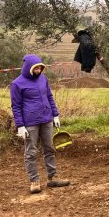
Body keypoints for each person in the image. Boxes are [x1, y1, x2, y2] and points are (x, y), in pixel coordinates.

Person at [10, 54, 70, 194]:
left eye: (40, 68)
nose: (38, 71)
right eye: (35, 68)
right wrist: (20, 125)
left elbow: (49, 97)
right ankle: (34, 181)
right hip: (30, 123)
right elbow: (16, 106)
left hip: (46, 120)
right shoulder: (17, 84)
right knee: (31, 152)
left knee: (49, 149)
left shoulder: (43, 79)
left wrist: (55, 115)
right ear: (28, 68)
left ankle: (53, 177)